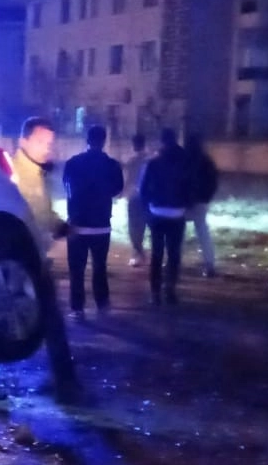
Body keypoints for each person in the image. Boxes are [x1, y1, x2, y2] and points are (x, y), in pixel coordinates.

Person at [0, 117, 80, 403]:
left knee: (38, 318)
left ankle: (65, 380)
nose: (48, 148)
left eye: (50, 143)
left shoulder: (34, 171)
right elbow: (33, 214)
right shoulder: (16, 173)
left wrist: (59, 227)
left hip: (28, 258)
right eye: (42, 142)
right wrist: (61, 227)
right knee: (6, 318)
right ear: (24, 141)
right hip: (16, 261)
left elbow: (41, 212)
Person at [62, 125, 124, 320]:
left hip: (78, 224)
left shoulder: (73, 163)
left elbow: (67, 186)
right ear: (103, 141)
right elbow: (117, 189)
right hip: (101, 224)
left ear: (86, 140)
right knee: (100, 266)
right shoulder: (112, 165)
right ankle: (102, 304)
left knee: (77, 270)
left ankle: (77, 308)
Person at [138, 128, 194, 305]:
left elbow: (143, 190)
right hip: (177, 213)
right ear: (176, 139)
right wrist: (187, 205)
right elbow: (191, 187)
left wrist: (147, 207)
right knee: (174, 253)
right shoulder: (185, 161)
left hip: (157, 213)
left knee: (157, 253)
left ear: (161, 141)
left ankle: (155, 292)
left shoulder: (153, 163)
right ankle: (170, 290)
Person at [185, 132, 220, 276]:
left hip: (185, 202)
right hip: (201, 202)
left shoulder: (184, 159)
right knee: (203, 232)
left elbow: (180, 180)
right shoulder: (207, 161)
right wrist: (206, 198)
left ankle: (174, 262)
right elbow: (213, 182)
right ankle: (209, 264)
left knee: (179, 233)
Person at [121, 132, 150, 266]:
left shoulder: (132, 162)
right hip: (147, 198)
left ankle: (137, 253)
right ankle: (140, 253)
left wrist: (122, 192)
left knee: (134, 227)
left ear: (134, 146)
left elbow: (128, 180)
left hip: (134, 197)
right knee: (142, 225)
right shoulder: (149, 160)